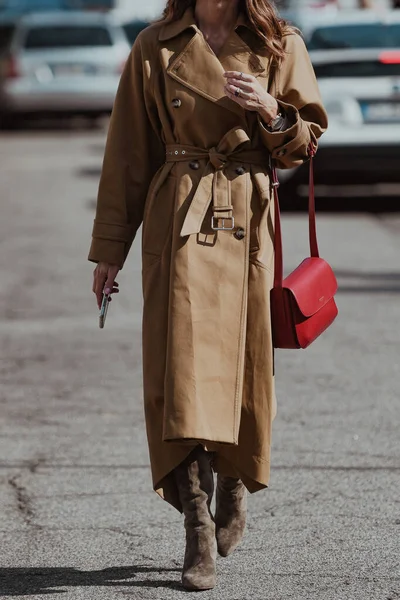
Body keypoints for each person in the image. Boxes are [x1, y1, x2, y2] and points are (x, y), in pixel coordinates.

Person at [88, 0, 328, 591]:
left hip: (246, 218)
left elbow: (306, 143)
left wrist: (272, 109)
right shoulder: (155, 45)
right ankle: (196, 526)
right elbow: (126, 156)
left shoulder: (279, 43)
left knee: (244, 371)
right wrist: (109, 250)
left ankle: (235, 480)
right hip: (179, 222)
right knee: (181, 375)